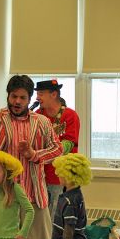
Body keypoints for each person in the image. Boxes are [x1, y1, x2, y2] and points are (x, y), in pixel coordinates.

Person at [0, 74, 63, 239]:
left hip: (34, 196)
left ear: (30, 99)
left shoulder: (42, 122)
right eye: (14, 96)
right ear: (8, 96)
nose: (17, 101)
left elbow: (57, 148)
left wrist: (34, 154)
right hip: (4, 199)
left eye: (22, 97)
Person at [34, 79, 80, 221]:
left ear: (53, 94)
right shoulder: (37, 115)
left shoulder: (70, 115)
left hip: (61, 177)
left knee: (57, 220)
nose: (37, 97)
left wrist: (53, 150)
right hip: (40, 176)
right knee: (40, 221)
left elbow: (70, 143)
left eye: (41, 93)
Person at [51, 153, 92, 239]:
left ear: (68, 177)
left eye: (60, 175)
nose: (58, 176)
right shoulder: (74, 193)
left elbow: (69, 229)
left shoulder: (71, 202)